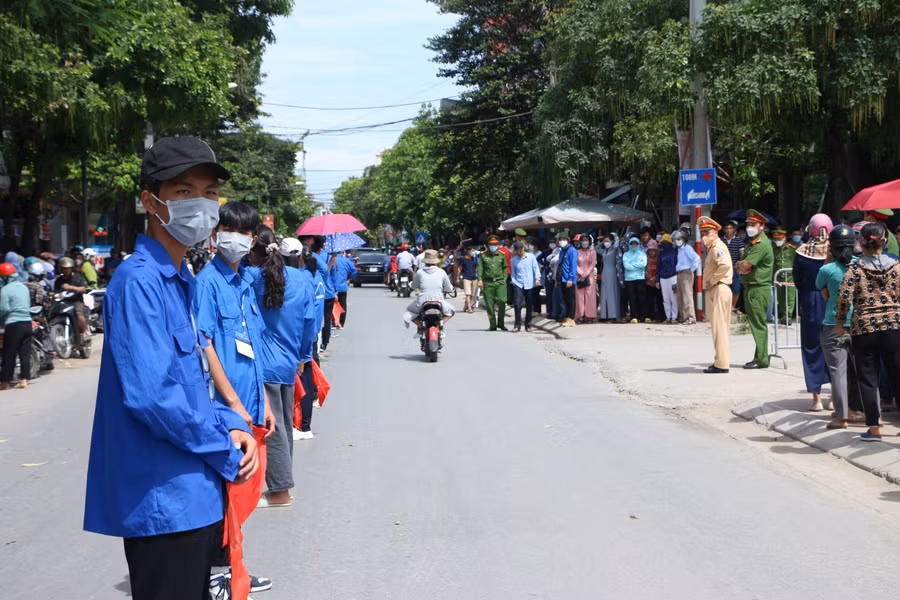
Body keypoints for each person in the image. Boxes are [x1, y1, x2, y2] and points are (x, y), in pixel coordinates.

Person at [84, 136, 260, 600]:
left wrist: (231, 422)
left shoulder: (179, 279)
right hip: (163, 500)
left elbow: (191, 386)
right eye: (183, 192)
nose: (200, 204)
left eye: (207, 192)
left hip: (193, 495)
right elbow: (154, 396)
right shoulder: (139, 281)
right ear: (151, 201)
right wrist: (225, 446)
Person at [193, 201, 274, 593]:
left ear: (253, 238)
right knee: (224, 497)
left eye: (245, 232)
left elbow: (252, 346)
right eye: (230, 230)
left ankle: (231, 571)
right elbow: (205, 345)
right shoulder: (206, 283)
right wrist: (234, 404)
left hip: (252, 404)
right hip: (226, 412)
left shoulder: (245, 283)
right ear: (214, 234)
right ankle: (218, 577)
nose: (237, 239)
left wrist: (265, 401)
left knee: (242, 497)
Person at [247, 225, 317, 506]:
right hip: (289, 361)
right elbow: (310, 322)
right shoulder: (302, 279)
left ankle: (279, 491)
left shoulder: (251, 277)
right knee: (285, 424)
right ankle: (283, 484)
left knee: (272, 425)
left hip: (264, 363)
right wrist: (303, 357)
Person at [836, 222, 900, 441]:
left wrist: (839, 324)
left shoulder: (855, 269)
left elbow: (844, 298)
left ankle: (874, 429)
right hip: (893, 327)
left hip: (864, 328)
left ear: (860, 243)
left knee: (868, 379)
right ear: (884, 241)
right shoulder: (897, 267)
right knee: (897, 376)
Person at [817, 225, 856, 429]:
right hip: (859, 325)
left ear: (831, 247)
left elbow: (822, 290)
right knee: (865, 370)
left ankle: (841, 417)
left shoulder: (827, 269)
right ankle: (868, 414)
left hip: (834, 326)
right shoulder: (861, 266)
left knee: (838, 370)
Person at [794, 213, 833, 409]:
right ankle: (835, 396)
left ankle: (816, 399)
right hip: (833, 303)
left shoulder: (802, 251)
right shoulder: (836, 250)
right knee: (835, 350)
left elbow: (797, 281)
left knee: (812, 349)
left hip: (810, 302)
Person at [736, 209, 774, 369]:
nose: (750, 227)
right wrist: (742, 267)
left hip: (758, 289)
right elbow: (742, 266)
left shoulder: (761, 245)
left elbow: (744, 265)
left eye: (753, 224)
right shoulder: (753, 243)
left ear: (762, 226)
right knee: (757, 324)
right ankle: (759, 357)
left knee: (758, 325)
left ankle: (762, 359)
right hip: (753, 288)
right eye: (748, 224)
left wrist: (742, 266)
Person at [699, 218, 733, 374]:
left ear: (716, 232)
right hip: (719, 288)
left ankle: (721, 363)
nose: (704, 235)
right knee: (720, 328)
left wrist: (712, 281)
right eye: (702, 233)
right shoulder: (713, 247)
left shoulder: (716, 247)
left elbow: (724, 265)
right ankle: (721, 360)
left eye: (707, 232)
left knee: (719, 329)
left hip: (719, 288)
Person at [299, 235, 336, 353]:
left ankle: (323, 342)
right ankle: (323, 342)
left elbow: (325, 269)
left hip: (324, 294)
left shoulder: (306, 274)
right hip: (324, 293)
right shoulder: (316, 271)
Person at [0, 263, 33, 389]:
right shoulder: (24, 287)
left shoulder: (5, 290)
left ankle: (5, 382)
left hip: (14, 324)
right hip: (27, 323)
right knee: (24, 353)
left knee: (9, 353)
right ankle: (24, 380)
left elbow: (4, 309)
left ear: (6, 278)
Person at [404, 249, 454, 328]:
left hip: (422, 301)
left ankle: (421, 326)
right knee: (451, 311)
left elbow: (413, 286)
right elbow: (449, 288)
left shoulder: (420, 272)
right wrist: (450, 289)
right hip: (439, 301)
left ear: (425, 261)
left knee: (409, 311)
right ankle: (440, 323)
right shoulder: (441, 272)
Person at [477, 235, 509, 331]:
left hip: (500, 282)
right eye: (491, 244)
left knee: (502, 302)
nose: (493, 246)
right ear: (488, 245)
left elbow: (505, 268)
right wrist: (480, 279)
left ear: (498, 245)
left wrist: (504, 279)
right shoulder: (483, 255)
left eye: (495, 244)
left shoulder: (501, 255)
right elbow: (480, 269)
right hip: (488, 283)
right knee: (490, 305)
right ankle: (493, 325)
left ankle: (501, 323)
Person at [510, 241, 541, 332]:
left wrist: (537, 278)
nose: (521, 251)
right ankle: (517, 325)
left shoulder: (531, 257)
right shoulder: (514, 260)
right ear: (516, 251)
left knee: (529, 305)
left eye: (522, 249)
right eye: (519, 250)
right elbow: (513, 273)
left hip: (530, 284)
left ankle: (528, 325)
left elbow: (536, 268)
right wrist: (514, 282)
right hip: (518, 284)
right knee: (517, 304)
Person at [55, 256, 89, 336]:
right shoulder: (58, 280)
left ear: (71, 268)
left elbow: (83, 289)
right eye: (64, 268)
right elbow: (56, 292)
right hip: (63, 301)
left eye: (68, 268)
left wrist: (71, 287)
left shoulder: (77, 277)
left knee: (79, 314)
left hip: (76, 301)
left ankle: (84, 332)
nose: (66, 270)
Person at [673, 230, 700, 324]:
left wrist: (691, 270)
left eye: (678, 239)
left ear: (684, 239)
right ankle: (683, 317)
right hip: (679, 273)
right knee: (680, 296)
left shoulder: (687, 248)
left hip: (686, 272)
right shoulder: (679, 249)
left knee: (687, 295)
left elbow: (696, 258)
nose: (677, 241)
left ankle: (691, 318)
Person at [771, 229, 797, 323]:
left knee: (790, 297)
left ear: (784, 238)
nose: (777, 241)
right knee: (781, 298)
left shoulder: (792, 249)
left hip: (790, 277)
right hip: (778, 277)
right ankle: (783, 316)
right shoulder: (773, 250)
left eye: (780, 239)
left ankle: (788, 317)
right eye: (776, 239)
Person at [555, 232, 578, 327]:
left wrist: (570, 279)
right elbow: (559, 265)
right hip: (562, 279)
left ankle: (572, 318)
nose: (561, 241)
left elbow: (573, 265)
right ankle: (567, 317)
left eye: (564, 239)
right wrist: (557, 280)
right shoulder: (562, 251)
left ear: (568, 240)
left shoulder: (572, 250)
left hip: (569, 279)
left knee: (571, 299)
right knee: (565, 299)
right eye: (560, 239)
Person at [573, 234, 597, 324]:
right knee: (579, 297)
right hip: (579, 277)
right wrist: (581, 273)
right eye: (583, 240)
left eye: (586, 240)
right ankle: (580, 316)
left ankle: (590, 316)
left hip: (589, 277)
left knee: (589, 296)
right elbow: (575, 264)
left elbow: (592, 264)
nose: (584, 242)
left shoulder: (593, 252)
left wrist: (585, 273)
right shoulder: (577, 252)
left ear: (589, 241)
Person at [623, 237, 648, 323]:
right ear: (629, 245)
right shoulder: (626, 254)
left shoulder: (642, 254)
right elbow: (626, 266)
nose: (634, 245)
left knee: (642, 298)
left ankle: (644, 316)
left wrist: (632, 264)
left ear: (638, 244)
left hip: (640, 278)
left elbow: (643, 264)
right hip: (629, 279)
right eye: (632, 244)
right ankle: (634, 316)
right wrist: (637, 265)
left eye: (635, 244)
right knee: (632, 298)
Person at [331, 250, 357, 329]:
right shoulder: (346, 260)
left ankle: (333, 322)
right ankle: (341, 323)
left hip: (332, 287)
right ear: (343, 252)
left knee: (331, 305)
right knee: (342, 305)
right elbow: (354, 270)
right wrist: (349, 279)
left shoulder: (331, 259)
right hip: (342, 286)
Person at [597, 233, 620, 322]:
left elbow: (617, 244)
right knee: (604, 294)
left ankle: (613, 315)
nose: (606, 243)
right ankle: (604, 315)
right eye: (605, 241)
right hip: (605, 272)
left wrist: (615, 237)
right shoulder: (604, 251)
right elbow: (596, 249)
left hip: (612, 272)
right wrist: (602, 242)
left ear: (612, 242)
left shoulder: (614, 249)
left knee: (611, 293)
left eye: (608, 241)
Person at [656, 233, 678, 323]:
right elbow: (658, 267)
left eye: (666, 241)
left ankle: (674, 317)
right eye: (663, 242)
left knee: (674, 298)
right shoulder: (661, 254)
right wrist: (657, 280)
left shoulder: (675, 252)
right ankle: (668, 317)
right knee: (666, 299)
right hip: (663, 278)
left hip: (673, 277)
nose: (665, 243)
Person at [723, 221, 745, 310]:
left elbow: (742, 253)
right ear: (724, 230)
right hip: (724, 268)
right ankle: (726, 307)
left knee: (736, 288)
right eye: (727, 228)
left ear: (734, 229)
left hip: (735, 267)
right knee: (725, 288)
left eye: (730, 228)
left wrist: (741, 266)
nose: (729, 230)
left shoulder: (738, 240)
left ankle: (733, 306)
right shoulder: (721, 240)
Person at [644, 239, 662, 321]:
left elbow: (661, 269)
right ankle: (649, 316)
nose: (652, 252)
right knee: (649, 300)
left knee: (659, 300)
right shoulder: (645, 258)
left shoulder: (659, 258)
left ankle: (660, 316)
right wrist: (648, 277)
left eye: (654, 250)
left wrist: (655, 278)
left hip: (658, 282)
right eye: (650, 250)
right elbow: (643, 269)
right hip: (648, 282)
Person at [460, 246, 479, 313]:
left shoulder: (475, 258)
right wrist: (458, 277)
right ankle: (469, 308)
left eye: (474, 251)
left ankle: (466, 306)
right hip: (466, 278)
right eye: (472, 251)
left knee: (473, 294)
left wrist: (478, 275)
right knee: (468, 294)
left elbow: (476, 267)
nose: (473, 252)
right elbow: (460, 268)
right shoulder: (463, 259)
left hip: (474, 278)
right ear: (468, 251)